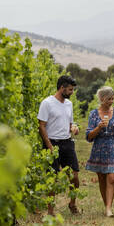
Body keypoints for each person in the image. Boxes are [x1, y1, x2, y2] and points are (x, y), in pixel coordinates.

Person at [38, 75, 81, 215]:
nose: (72, 92)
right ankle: (50, 210)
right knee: (53, 178)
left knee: (74, 176)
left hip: (67, 142)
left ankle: (72, 204)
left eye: (73, 90)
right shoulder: (47, 103)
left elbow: (70, 123)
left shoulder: (69, 104)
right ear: (61, 88)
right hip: (52, 142)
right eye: (70, 90)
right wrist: (50, 146)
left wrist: (74, 128)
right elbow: (42, 126)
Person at [85, 86, 114, 217]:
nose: (111, 101)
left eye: (112, 98)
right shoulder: (94, 114)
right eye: (109, 99)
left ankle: (109, 208)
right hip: (99, 148)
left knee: (111, 178)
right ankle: (107, 206)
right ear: (102, 99)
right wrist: (98, 128)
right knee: (102, 178)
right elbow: (88, 136)